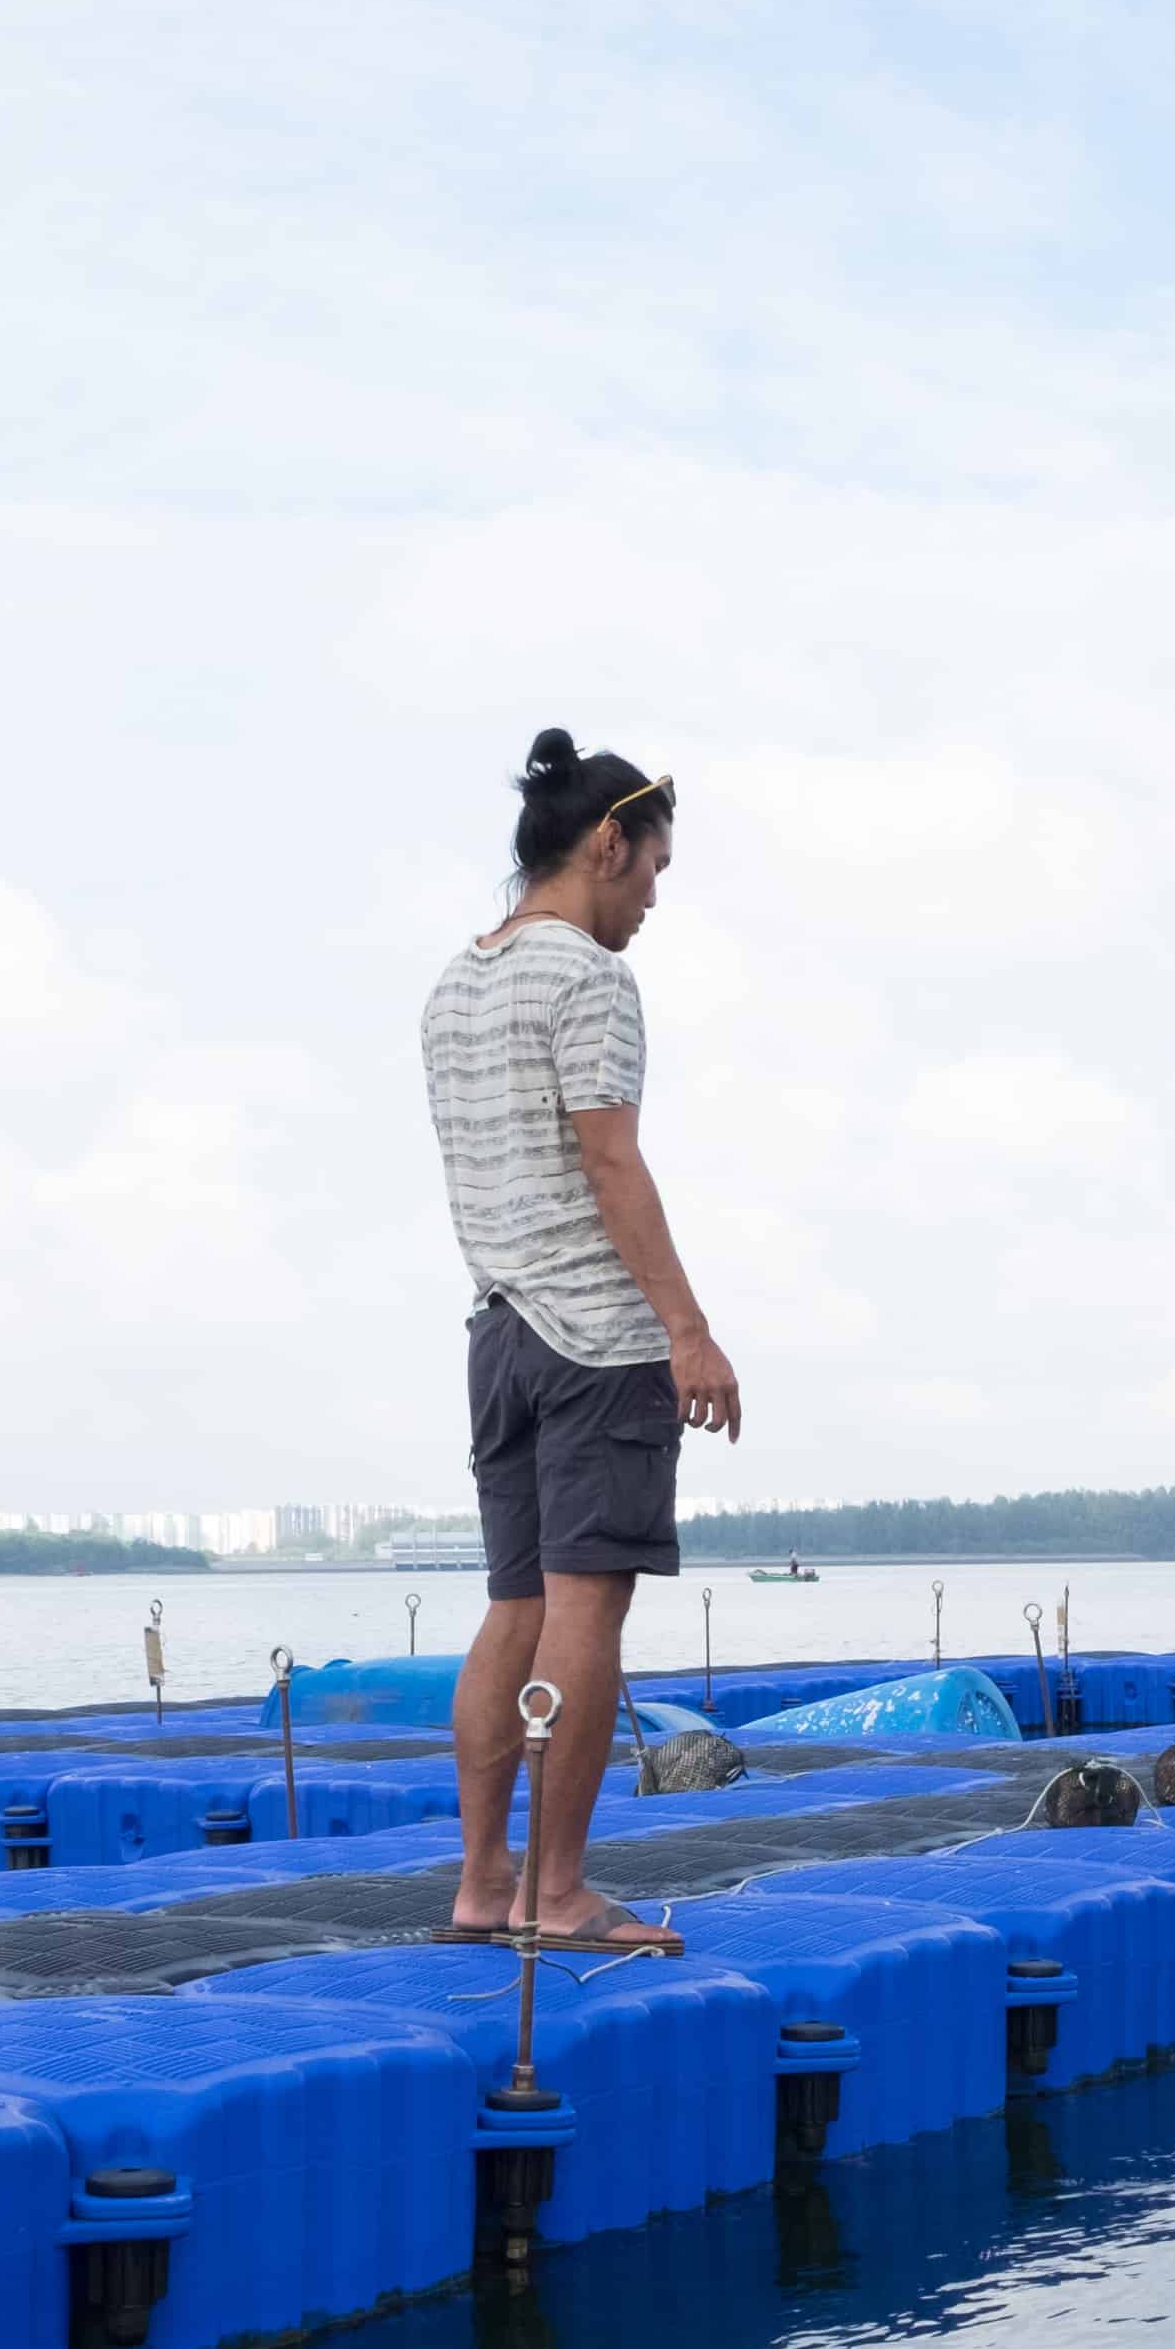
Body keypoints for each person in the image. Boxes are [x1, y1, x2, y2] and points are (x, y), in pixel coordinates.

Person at [425, 728, 743, 1949]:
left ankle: (481, 1885)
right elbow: (611, 1161)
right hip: (596, 1345)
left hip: (496, 1332)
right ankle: (558, 1897)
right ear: (606, 842)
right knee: (582, 1614)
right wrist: (690, 1331)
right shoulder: (590, 979)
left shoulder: (455, 983)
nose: (654, 898)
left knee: (511, 1608)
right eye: (653, 867)